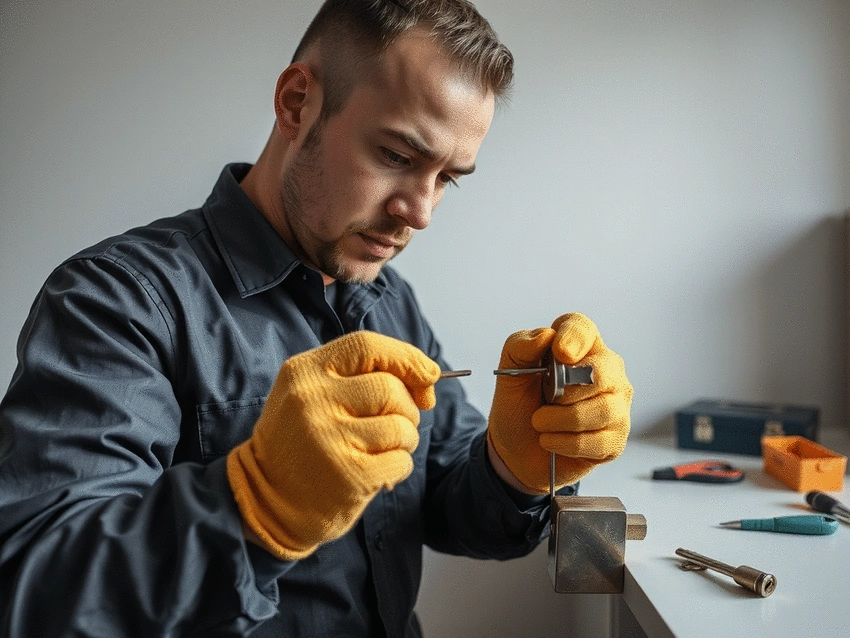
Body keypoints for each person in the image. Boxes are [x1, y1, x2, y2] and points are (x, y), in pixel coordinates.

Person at [0, 0, 633, 636]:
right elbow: (37, 598)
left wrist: (515, 465)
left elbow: (446, 500)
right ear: (297, 102)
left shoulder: (390, 301)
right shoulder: (118, 302)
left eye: (448, 179)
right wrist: (255, 504)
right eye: (395, 155)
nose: (420, 212)